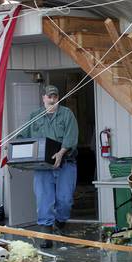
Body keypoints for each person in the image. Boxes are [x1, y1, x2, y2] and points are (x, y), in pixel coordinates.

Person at [21, 85, 79, 249]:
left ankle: (60, 223)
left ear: (58, 97)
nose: (52, 99)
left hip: (65, 164)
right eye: (49, 96)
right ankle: (46, 235)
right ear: (43, 98)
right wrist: (14, 153)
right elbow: (22, 137)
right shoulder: (34, 116)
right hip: (42, 168)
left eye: (55, 96)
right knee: (43, 201)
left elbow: (71, 137)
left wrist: (61, 153)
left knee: (65, 199)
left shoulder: (67, 114)